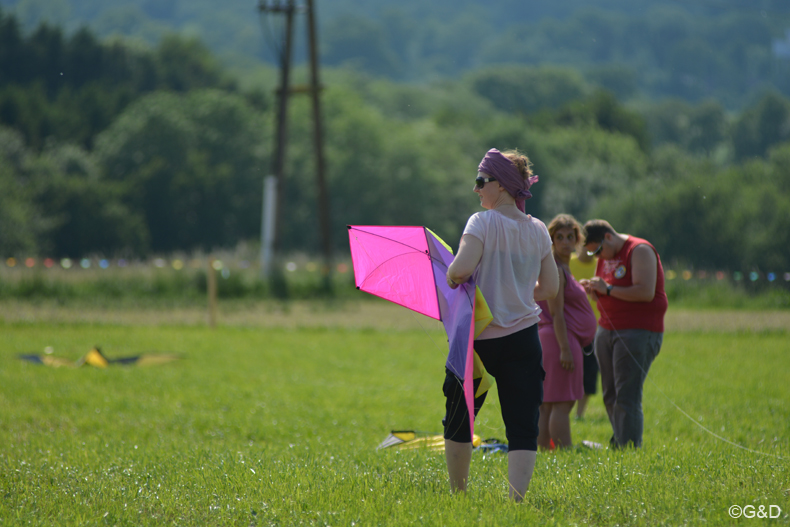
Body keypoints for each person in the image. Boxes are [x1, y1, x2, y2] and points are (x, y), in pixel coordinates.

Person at [445, 148, 559, 501]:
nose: (476, 189)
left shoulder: (482, 222)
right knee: (523, 424)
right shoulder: (539, 229)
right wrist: (519, 292)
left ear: (503, 185)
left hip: (478, 340)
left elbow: (461, 270)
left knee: (460, 414)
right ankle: (516, 501)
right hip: (525, 338)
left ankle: (458, 495)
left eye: (481, 181)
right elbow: (551, 289)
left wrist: (450, 275)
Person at [579, 219, 668, 448]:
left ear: (608, 236)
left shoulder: (639, 250)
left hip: (637, 331)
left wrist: (607, 289)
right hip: (607, 329)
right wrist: (595, 291)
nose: (598, 257)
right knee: (610, 393)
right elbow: (609, 290)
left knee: (626, 395)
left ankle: (628, 448)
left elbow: (645, 292)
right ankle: (620, 441)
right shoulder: (606, 256)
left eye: (597, 250)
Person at [536, 214, 597, 450]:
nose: (564, 242)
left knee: (548, 404)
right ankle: (564, 452)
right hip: (560, 340)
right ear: (551, 240)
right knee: (562, 404)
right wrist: (565, 349)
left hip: (549, 339)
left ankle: (544, 451)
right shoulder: (557, 270)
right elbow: (557, 312)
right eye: (559, 237)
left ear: (577, 240)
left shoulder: (560, 269)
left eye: (569, 237)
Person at [568, 249, 600, 419]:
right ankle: (564, 410)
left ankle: (579, 414)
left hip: (595, 330)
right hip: (571, 329)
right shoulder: (568, 263)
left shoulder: (600, 264)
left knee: (589, 372)